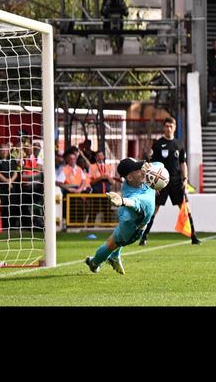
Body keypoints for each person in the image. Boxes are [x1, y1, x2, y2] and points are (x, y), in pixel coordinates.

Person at [83, 158, 161, 275]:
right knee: (112, 244)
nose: (142, 170)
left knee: (115, 240)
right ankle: (94, 263)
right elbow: (134, 202)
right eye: (138, 169)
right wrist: (123, 201)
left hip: (128, 216)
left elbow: (160, 164)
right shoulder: (137, 195)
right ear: (130, 177)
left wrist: (150, 166)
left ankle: (114, 256)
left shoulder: (140, 180)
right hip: (131, 229)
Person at [139, 117, 200, 246]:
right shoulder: (157, 144)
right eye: (166, 126)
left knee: (184, 207)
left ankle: (193, 236)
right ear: (163, 127)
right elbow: (152, 165)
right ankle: (143, 237)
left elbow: (183, 163)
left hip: (176, 181)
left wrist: (185, 179)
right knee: (154, 209)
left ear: (175, 127)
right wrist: (153, 184)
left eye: (171, 126)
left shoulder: (179, 144)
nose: (169, 128)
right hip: (161, 182)